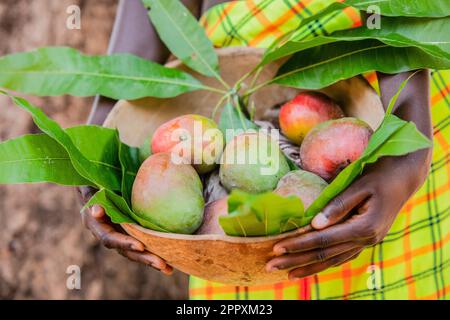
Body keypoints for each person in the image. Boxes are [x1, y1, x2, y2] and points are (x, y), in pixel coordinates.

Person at [80, 0, 450, 299]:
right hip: (230, 224)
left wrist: (407, 153)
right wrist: (98, 137)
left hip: (379, 113)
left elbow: (401, 10)